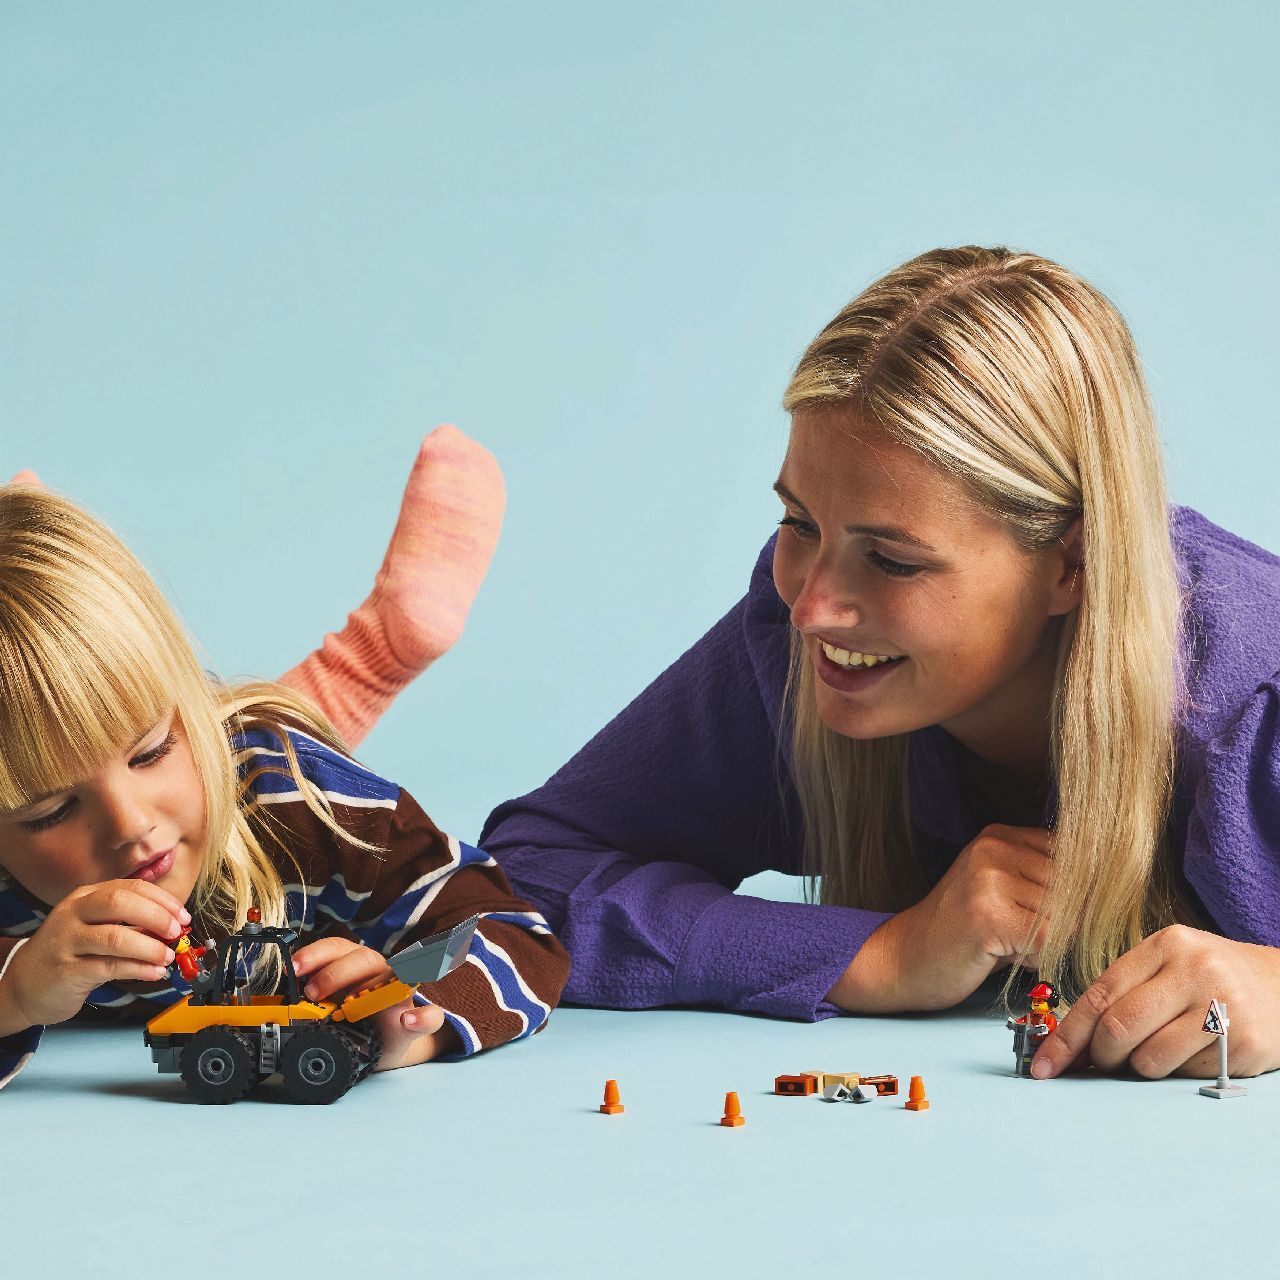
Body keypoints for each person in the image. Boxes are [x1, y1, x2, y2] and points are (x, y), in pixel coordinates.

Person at [276, 246, 1279, 1084]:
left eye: (890, 557)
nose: (810, 605)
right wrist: (873, 955)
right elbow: (533, 870)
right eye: (797, 521)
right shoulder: (797, 638)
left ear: (1068, 563)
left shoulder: (1254, 693)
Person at [0, 481, 569, 1092]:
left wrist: (414, 1023)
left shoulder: (293, 798)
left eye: (151, 751)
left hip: (258, 771)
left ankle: (375, 650)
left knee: (274, 736)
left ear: (184, 708)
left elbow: (516, 932)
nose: (132, 825)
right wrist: (16, 991)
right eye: (51, 811)